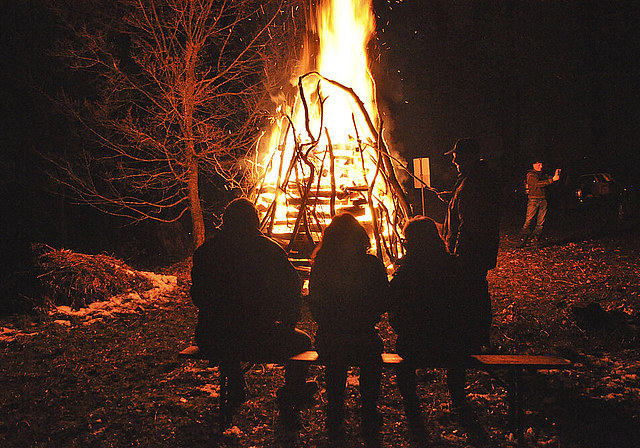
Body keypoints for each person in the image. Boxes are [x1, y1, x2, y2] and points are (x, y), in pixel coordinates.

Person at [190, 197, 316, 429]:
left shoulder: (207, 251)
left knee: (229, 337)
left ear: (225, 221)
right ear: (254, 221)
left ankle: (234, 377)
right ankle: (292, 392)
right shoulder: (269, 249)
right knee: (304, 341)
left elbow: (198, 295)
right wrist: (287, 324)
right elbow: (291, 289)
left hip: (212, 337)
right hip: (260, 337)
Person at [307, 213, 389, 442]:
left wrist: (329, 321)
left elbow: (315, 302)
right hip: (364, 336)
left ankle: (335, 411)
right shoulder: (371, 264)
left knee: (335, 362)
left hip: (330, 337)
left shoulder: (322, 265)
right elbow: (383, 299)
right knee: (371, 356)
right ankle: (369, 410)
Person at [437, 137, 501, 406]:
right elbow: (463, 206)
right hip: (472, 250)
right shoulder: (471, 177)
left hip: (471, 251)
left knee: (473, 290)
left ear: (470, 155)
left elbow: (471, 220)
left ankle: (476, 337)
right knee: (474, 290)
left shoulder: (476, 180)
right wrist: (450, 198)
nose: (453, 159)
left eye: (457, 155)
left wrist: (458, 252)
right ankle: (475, 335)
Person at [389, 216, 459, 432]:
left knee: (403, 360)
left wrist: (402, 327)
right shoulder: (453, 265)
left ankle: (411, 405)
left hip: (415, 344)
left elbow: (391, 302)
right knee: (455, 352)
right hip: (452, 342)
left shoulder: (407, 271)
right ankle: (459, 400)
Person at [520, 160, 561, 246]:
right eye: (538, 165)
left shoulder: (543, 174)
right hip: (533, 199)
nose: (540, 167)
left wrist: (556, 176)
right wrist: (552, 180)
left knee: (541, 221)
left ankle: (536, 238)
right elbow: (537, 184)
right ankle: (524, 239)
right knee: (529, 220)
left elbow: (550, 180)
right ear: (534, 165)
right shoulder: (531, 175)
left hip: (543, 199)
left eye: (541, 165)